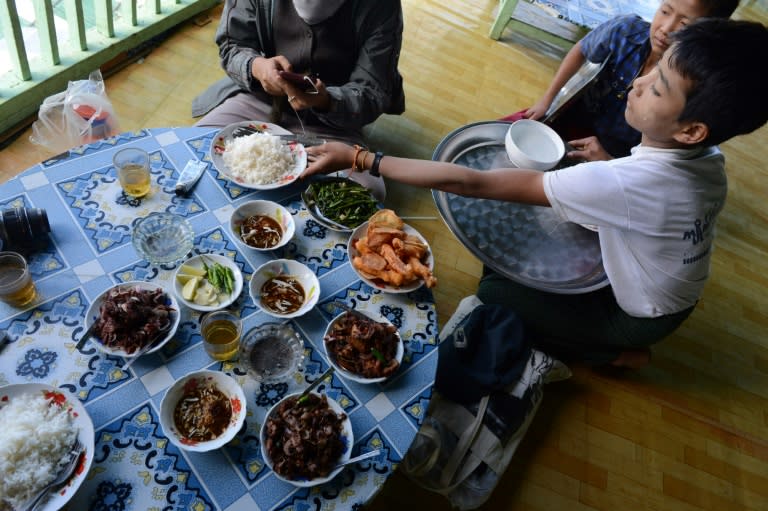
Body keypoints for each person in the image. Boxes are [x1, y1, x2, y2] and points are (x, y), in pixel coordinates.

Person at [301, 18, 768, 368]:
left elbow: (471, 181)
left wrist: (362, 158)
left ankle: (608, 355)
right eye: (653, 69)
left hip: (636, 314)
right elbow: (651, 194)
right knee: (524, 249)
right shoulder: (710, 161)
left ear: (691, 130)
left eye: (657, 88)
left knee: (495, 293)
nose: (638, 82)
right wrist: (613, 165)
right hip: (667, 290)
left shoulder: (626, 184)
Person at [192, 0, 406, 199]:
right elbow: (232, 45)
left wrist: (326, 101)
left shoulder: (381, 6)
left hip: (334, 124)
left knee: (363, 196)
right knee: (194, 149)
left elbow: (373, 91)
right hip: (257, 101)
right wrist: (257, 67)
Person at [501, 0, 739, 162]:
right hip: (573, 115)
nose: (666, 28)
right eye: (665, 11)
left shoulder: (692, 85)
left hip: (621, 153)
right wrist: (547, 101)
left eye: (685, 25)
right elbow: (581, 49)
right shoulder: (625, 31)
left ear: (705, 34)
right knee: (505, 136)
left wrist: (609, 163)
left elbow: (657, 162)